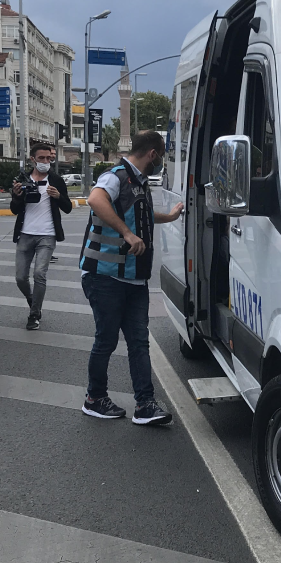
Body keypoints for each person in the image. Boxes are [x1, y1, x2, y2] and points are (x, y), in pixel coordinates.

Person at [79, 130, 183, 424]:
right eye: (161, 156)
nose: (160, 161)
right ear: (153, 154)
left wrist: (170, 216)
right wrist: (126, 234)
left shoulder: (138, 182)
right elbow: (95, 200)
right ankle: (94, 398)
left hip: (134, 279)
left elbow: (142, 214)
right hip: (105, 277)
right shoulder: (116, 176)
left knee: (139, 342)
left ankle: (145, 405)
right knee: (106, 341)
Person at [10, 143, 72, 330]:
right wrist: (17, 196)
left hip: (47, 235)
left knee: (39, 274)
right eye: (42, 158)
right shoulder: (22, 179)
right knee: (21, 277)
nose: (46, 161)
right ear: (33, 159)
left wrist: (58, 196)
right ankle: (32, 299)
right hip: (25, 234)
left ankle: (34, 314)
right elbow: (14, 210)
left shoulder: (56, 180)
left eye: (49, 158)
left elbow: (67, 208)